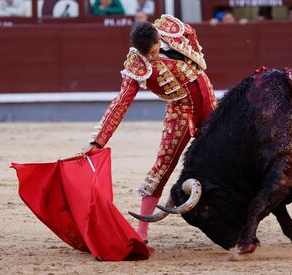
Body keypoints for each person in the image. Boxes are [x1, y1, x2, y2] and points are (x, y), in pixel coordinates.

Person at [82, 15, 217, 243]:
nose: (152, 58)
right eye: (148, 55)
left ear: (158, 38)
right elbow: (121, 102)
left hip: (208, 99)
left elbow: (191, 32)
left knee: (227, 151)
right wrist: (98, 141)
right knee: (163, 165)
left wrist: (195, 56)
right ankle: (141, 234)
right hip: (181, 110)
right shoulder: (137, 64)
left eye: (154, 52)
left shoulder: (169, 29)